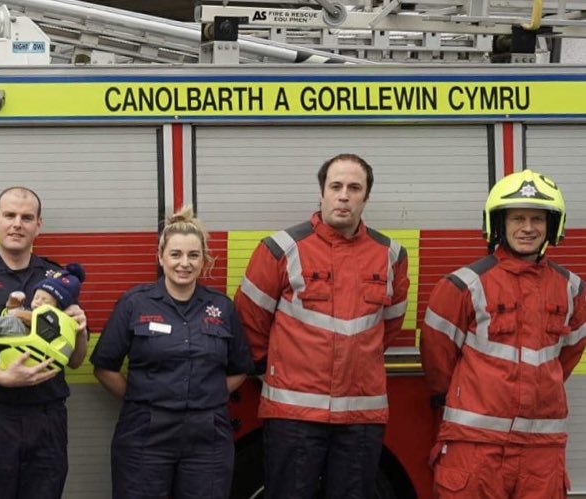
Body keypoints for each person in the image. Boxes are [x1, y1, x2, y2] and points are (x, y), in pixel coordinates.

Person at [234, 153, 409, 498]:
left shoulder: (391, 255)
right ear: (322, 192)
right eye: (336, 186)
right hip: (294, 417)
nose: (344, 195)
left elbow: (387, 328)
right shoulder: (280, 250)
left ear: (366, 197)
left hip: (360, 420)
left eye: (354, 188)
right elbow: (250, 324)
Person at [421, 170, 585, 498]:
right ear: (498, 224)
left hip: (542, 450)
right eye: (517, 218)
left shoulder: (573, 289)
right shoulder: (461, 285)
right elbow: (438, 358)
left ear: (553, 226)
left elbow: (568, 354)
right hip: (474, 446)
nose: (527, 228)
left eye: (537, 219)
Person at [91, 206, 253, 499]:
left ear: (204, 260)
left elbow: (240, 368)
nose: (184, 263)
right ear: (161, 257)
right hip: (145, 434)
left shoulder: (222, 307)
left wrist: (207, 395)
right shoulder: (134, 303)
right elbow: (104, 367)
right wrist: (141, 397)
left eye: (193, 255)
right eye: (176, 254)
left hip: (207, 437)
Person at [0, 186, 89, 499]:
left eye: (26, 217)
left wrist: (80, 329)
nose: (17, 224)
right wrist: (4, 378)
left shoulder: (59, 279)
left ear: (39, 224)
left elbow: (76, 360)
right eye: (9, 215)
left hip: (47, 417)